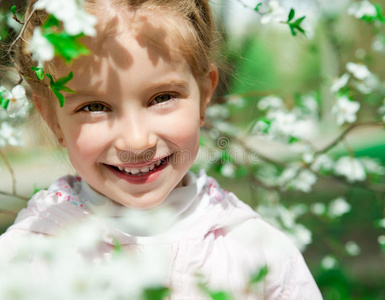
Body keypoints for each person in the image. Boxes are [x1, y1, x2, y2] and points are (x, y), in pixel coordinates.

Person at [0, 0, 323, 299]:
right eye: (95, 106)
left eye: (162, 98)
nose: (137, 141)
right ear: (52, 118)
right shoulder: (27, 259)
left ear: (205, 93)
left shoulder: (258, 252)